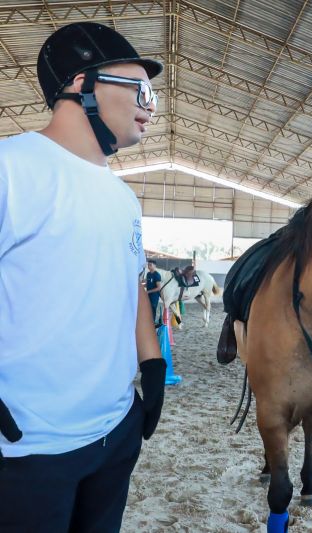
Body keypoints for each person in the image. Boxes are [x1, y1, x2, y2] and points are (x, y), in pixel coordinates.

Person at [0, 22, 167, 532]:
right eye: (140, 89)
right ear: (81, 83)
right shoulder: (12, 167)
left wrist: (152, 362)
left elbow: (131, 280)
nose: (151, 105)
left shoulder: (123, 197)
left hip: (114, 434)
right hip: (29, 446)